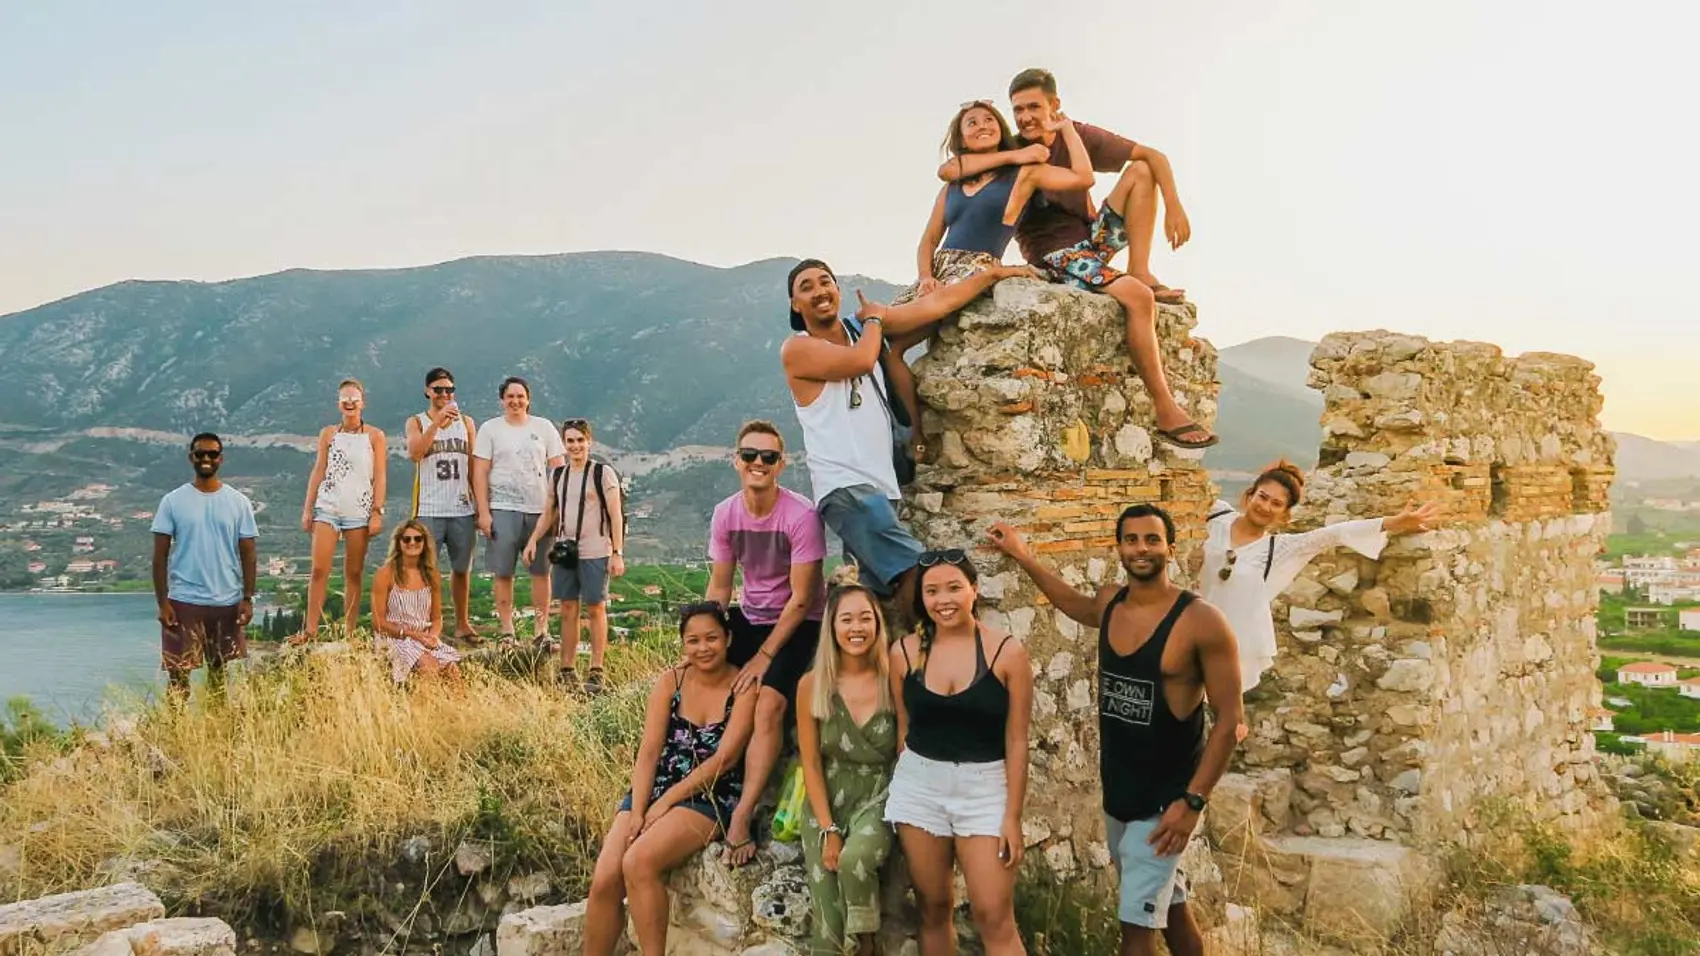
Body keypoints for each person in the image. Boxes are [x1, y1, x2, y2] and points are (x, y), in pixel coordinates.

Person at [988, 505, 1242, 956]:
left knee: (1135, 930)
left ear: (1171, 547)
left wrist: (1192, 802)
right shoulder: (1111, 603)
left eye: (1151, 539)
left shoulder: (1201, 622)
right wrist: (1023, 556)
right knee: (1170, 907)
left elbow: (1228, 722)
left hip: (1165, 804)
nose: (1141, 549)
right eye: (1131, 540)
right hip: (1119, 792)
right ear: (1119, 547)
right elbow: (1073, 603)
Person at [940, 68, 1215, 451]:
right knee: (1138, 298)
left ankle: (1140, 267)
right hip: (1054, 253)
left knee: (1140, 170)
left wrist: (1174, 205)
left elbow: (1153, 155)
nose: (1025, 118)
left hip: (1090, 241)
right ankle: (1166, 407)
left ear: (1055, 105)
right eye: (1017, 110)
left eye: (1034, 107)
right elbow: (952, 169)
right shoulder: (1016, 153)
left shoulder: (1079, 135)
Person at [855, 100, 1088, 461]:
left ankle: (876, 316)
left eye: (990, 120)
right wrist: (926, 276)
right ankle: (911, 429)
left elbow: (1083, 178)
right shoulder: (952, 184)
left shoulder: (1022, 174)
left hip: (976, 268)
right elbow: (929, 240)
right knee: (892, 349)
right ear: (960, 137)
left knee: (885, 329)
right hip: (941, 269)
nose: (982, 125)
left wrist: (1067, 130)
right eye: (971, 122)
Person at [580, 602, 758, 956]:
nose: (702, 648)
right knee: (605, 879)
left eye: (711, 638)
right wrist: (638, 811)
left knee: (638, 862)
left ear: (728, 638)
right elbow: (648, 753)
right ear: (682, 644)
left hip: (708, 796)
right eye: (693, 641)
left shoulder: (743, 687)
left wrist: (664, 804)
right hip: (656, 787)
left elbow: (725, 760)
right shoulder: (670, 682)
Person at [884, 550, 1032, 956]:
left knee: (994, 915)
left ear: (974, 591)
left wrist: (1013, 817)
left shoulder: (1007, 653)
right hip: (920, 785)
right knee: (933, 908)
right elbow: (904, 728)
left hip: (985, 788)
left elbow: (1017, 740)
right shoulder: (903, 653)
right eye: (932, 591)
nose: (943, 599)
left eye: (953, 588)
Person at [1200, 460, 1439, 694]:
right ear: (1249, 495)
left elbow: (1334, 534)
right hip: (1186, 628)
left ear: (1284, 514)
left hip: (1230, 644)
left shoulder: (1279, 549)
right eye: (1262, 497)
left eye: (1276, 503)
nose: (1265, 506)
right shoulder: (1215, 516)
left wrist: (1395, 523)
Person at [703, 420, 828, 865]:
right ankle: (704, 790)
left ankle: (742, 812)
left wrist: (763, 656)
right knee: (710, 688)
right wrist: (707, 639)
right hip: (750, 615)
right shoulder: (726, 514)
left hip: (799, 622)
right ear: (737, 460)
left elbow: (802, 599)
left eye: (769, 457)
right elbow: (720, 586)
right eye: (751, 455)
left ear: (782, 463)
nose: (759, 463)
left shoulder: (800, 516)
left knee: (770, 703)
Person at [781, 259, 924, 615]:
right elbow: (861, 362)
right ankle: (921, 652)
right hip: (847, 489)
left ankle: (880, 662)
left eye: (825, 281)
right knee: (925, 574)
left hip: (882, 488)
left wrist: (991, 276)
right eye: (806, 286)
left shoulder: (863, 335)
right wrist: (875, 319)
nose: (819, 290)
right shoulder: (797, 349)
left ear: (838, 290)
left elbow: (932, 311)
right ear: (795, 305)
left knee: (871, 599)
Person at [795, 575, 898, 956]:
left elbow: (905, 751)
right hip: (826, 801)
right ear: (832, 627)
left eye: (865, 618)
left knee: (855, 859)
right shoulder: (811, 686)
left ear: (877, 623)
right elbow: (810, 762)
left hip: (881, 794)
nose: (857, 628)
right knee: (828, 920)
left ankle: (867, 944)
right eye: (847, 619)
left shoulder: (894, 678)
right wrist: (828, 829)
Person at [151, 433, 258, 701]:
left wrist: (247, 598)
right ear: (192, 458)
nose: (206, 459)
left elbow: (249, 554)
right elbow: (159, 556)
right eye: (200, 454)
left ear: (221, 459)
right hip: (184, 602)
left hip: (227, 601)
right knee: (178, 678)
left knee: (219, 675)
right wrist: (163, 603)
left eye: (212, 454)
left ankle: (216, 735)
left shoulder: (239, 502)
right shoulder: (172, 501)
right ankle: (174, 734)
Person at [522, 417, 625, 693]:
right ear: (564, 444)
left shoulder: (602, 474)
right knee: (567, 607)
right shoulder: (558, 475)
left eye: (580, 440)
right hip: (566, 550)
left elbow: (616, 514)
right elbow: (549, 512)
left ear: (589, 442)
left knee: (596, 607)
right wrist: (533, 540)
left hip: (596, 549)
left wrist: (617, 552)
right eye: (570, 441)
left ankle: (596, 670)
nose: (575, 445)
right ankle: (567, 669)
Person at [471, 376, 564, 643]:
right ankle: (507, 631)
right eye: (510, 396)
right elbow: (480, 471)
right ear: (502, 400)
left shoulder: (544, 427)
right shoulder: (490, 429)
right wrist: (484, 511)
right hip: (502, 508)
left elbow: (557, 469)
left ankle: (541, 630)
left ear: (528, 399)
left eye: (520, 396)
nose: (515, 401)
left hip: (539, 509)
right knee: (503, 572)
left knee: (541, 572)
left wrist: (555, 507)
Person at [297, 379, 387, 642]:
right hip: (328, 507)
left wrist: (377, 511)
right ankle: (310, 630)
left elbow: (380, 475)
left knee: (354, 573)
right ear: (339, 403)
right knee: (318, 569)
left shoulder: (375, 436)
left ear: (363, 403)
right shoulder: (328, 434)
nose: (350, 403)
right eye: (345, 398)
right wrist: (307, 509)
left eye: (354, 398)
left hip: (358, 511)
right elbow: (319, 470)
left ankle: (349, 632)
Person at [405, 366, 481, 644]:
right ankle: (427, 625)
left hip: (461, 507)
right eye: (439, 390)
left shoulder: (467, 423)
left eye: (449, 390)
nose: (445, 394)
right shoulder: (416, 422)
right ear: (427, 391)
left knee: (462, 569)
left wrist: (480, 507)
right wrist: (437, 422)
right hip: (429, 508)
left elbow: (473, 465)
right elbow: (415, 453)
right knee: (427, 571)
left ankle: (462, 623)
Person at [371, 520, 463, 684]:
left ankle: (458, 709)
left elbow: (436, 617)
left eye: (417, 539)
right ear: (399, 543)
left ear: (424, 542)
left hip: (424, 637)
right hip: (396, 638)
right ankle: (423, 708)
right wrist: (411, 634)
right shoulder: (385, 573)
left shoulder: (431, 574)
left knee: (452, 670)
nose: (412, 543)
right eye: (406, 539)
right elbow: (378, 622)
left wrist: (433, 636)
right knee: (429, 667)